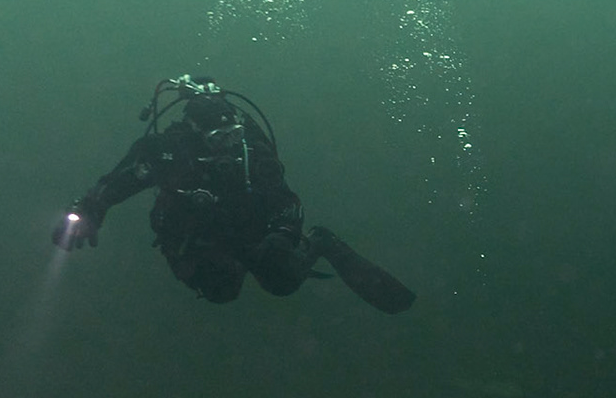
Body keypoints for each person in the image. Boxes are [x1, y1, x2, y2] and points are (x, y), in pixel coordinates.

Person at [51, 74, 415, 313]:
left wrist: (284, 233)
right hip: (197, 235)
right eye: (218, 138)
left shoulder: (252, 150)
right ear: (195, 134)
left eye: (233, 136)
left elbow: (285, 199)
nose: (228, 144)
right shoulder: (167, 150)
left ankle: (321, 242)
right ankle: (231, 266)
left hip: (253, 232)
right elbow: (118, 182)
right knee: (220, 290)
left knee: (282, 281)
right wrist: (88, 210)